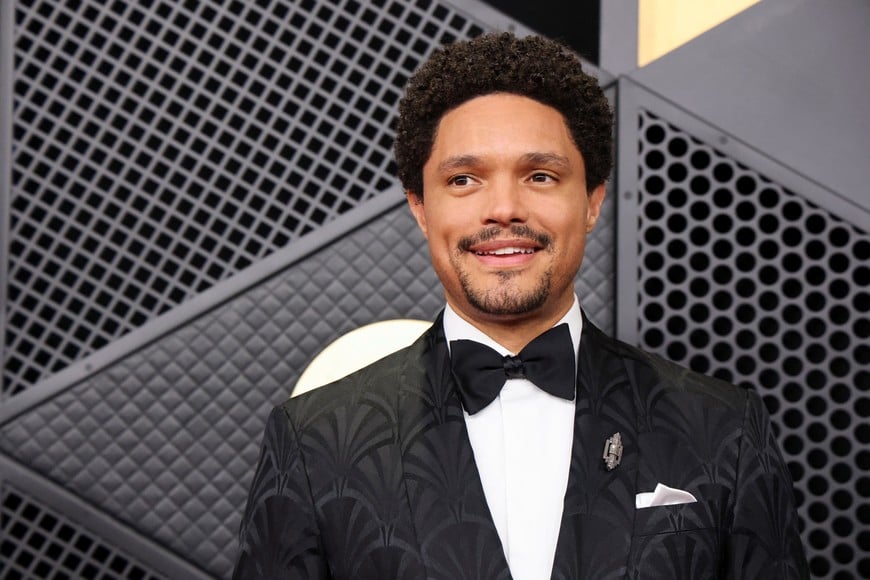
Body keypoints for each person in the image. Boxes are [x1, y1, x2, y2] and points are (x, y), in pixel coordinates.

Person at [233, 32, 808, 580]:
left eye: (539, 175)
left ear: (591, 201)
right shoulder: (313, 442)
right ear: (420, 208)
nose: (503, 208)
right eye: (464, 180)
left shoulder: (724, 430)